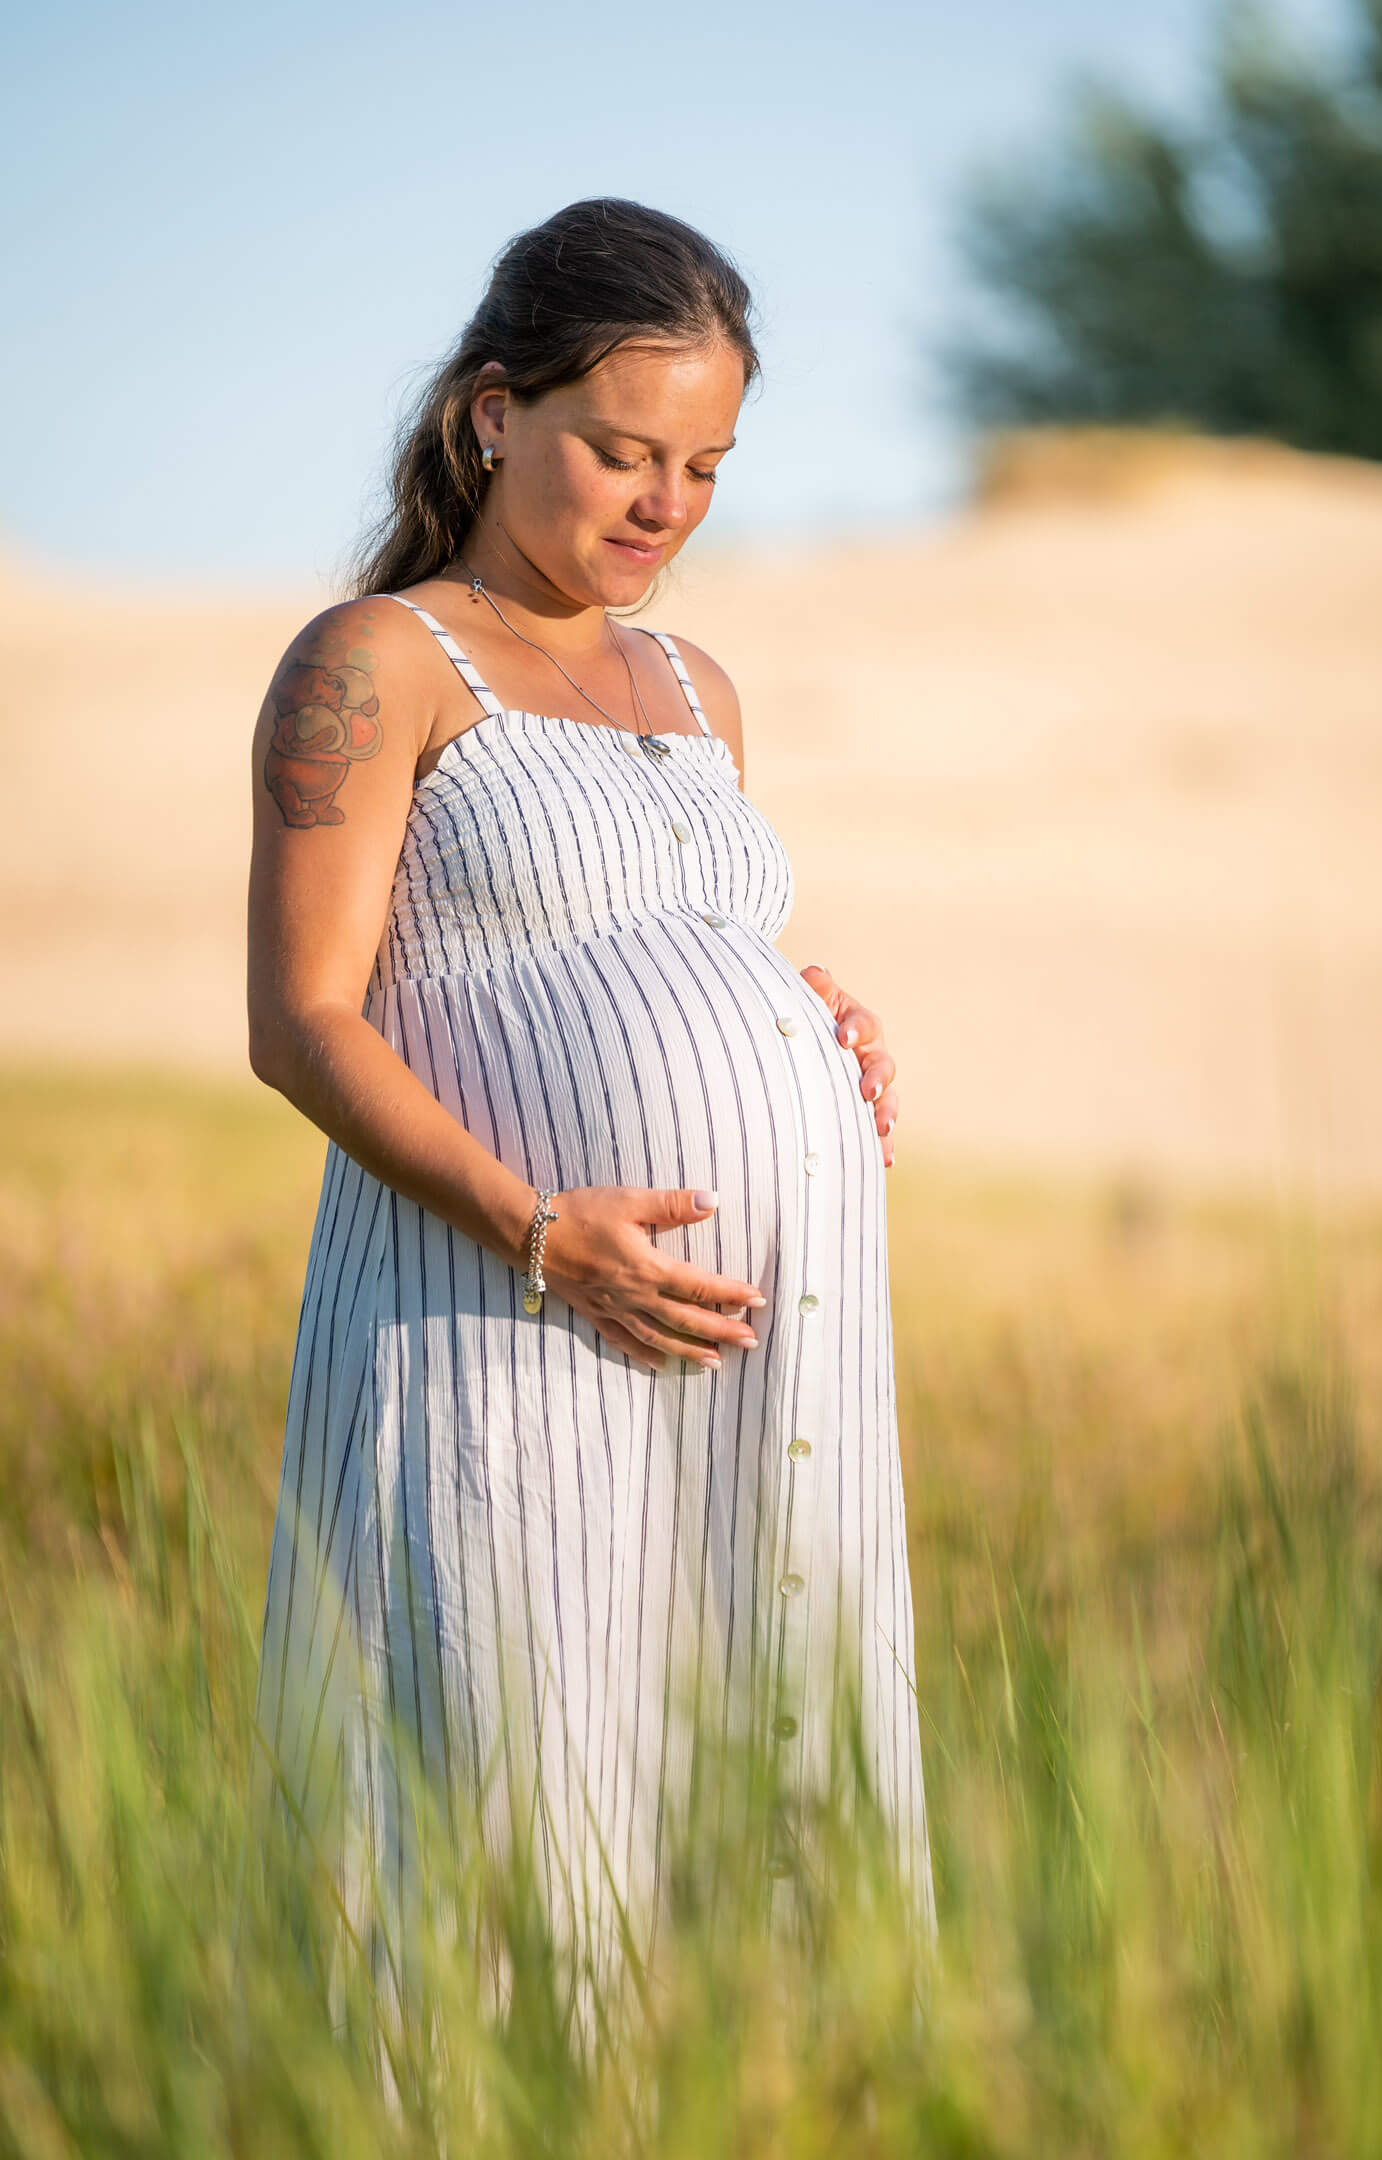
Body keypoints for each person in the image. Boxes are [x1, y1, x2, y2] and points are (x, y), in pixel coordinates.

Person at [246, 196, 934, 2026]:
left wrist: (802, 1012)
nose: (664, 506)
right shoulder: (375, 660)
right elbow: (304, 1019)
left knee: (752, 1768)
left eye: (704, 465)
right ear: (493, 415)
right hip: (498, 1313)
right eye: (621, 450)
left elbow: (648, 938)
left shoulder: (698, 693)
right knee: (509, 1772)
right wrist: (540, 1229)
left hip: (764, 1364)